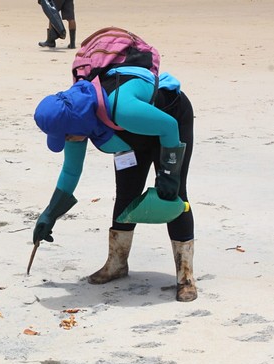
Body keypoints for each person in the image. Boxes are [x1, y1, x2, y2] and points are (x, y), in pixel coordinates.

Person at [32, 67, 198, 302]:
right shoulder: (77, 119)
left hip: (170, 123)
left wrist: (169, 175)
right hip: (131, 138)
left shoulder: (118, 108)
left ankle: (186, 277)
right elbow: (71, 170)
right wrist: (50, 213)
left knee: (174, 196)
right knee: (126, 195)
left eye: (67, 136)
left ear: (74, 125)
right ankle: (117, 264)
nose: (68, 141)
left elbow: (169, 126)